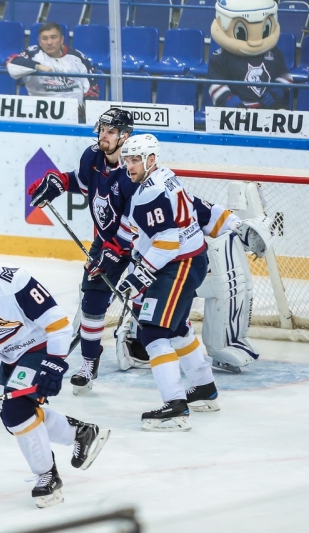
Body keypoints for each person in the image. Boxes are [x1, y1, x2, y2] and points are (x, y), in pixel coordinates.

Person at [0, 234, 110, 508]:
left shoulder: (16, 282)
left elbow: (59, 325)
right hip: (11, 358)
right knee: (15, 417)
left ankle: (47, 476)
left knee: (15, 411)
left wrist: (54, 363)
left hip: (39, 349)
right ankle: (80, 433)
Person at [27, 108, 136, 395]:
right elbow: (80, 180)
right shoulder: (92, 156)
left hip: (141, 246)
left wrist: (116, 249)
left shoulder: (133, 169)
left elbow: (137, 218)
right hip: (107, 241)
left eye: (111, 131)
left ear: (125, 136)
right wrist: (59, 183)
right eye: (102, 129)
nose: (104, 135)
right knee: (92, 302)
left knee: (151, 309)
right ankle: (89, 363)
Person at [118, 134, 219, 431]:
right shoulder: (167, 177)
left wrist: (139, 275)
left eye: (135, 160)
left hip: (178, 266)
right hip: (188, 261)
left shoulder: (150, 192)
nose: (130, 165)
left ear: (151, 159)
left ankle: (175, 407)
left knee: (151, 331)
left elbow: (166, 242)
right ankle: (204, 389)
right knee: (175, 327)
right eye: (127, 160)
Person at [116, 199, 273, 375]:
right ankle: (147, 347)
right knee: (157, 330)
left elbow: (212, 216)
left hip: (184, 270)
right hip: (153, 278)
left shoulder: (176, 198)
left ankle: (206, 365)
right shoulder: (130, 206)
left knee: (223, 282)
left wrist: (238, 227)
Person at [208, 0, 292, 109]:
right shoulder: (220, 58)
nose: (255, 42)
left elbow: (286, 76)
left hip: (270, 109)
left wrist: (276, 92)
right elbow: (215, 84)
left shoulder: (274, 53)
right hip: (235, 113)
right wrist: (228, 99)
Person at [6, 22, 99, 104]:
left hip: (76, 112)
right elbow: (11, 62)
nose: (49, 42)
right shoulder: (32, 53)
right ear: (39, 41)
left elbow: (92, 88)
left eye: (53, 37)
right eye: (44, 38)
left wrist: (85, 111)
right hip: (41, 113)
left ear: (62, 39)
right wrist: (37, 66)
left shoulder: (78, 57)